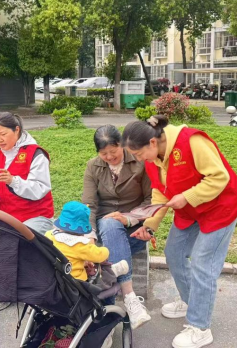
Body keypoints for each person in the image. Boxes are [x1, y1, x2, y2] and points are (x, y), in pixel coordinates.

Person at [122, 115, 237, 348]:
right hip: (191, 211)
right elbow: (160, 193)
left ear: (152, 142)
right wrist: (149, 225)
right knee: (174, 254)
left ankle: (200, 327)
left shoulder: (192, 141)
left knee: (202, 263)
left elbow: (219, 177)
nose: (138, 159)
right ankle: (192, 302)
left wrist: (187, 196)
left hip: (221, 207)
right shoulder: (152, 159)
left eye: (138, 154)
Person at [81, 125, 152, 329]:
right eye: (104, 154)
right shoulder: (93, 166)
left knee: (108, 249)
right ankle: (129, 296)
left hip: (133, 228)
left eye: (114, 151)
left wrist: (128, 218)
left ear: (122, 144)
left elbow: (150, 199)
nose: (110, 157)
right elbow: (89, 205)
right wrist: (90, 236)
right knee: (109, 224)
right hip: (104, 224)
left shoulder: (140, 162)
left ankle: (106, 318)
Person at [0, 112, 54, 311]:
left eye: (3, 134)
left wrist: (14, 181)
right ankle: (4, 290)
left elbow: (40, 189)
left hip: (36, 215)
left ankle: (35, 293)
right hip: (8, 215)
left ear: (17, 130)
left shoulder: (35, 153)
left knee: (22, 242)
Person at [45, 201, 129, 283]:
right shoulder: (80, 245)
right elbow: (99, 255)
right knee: (99, 277)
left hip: (53, 278)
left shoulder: (49, 235)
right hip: (75, 283)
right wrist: (105, 250)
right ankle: (112, 272)